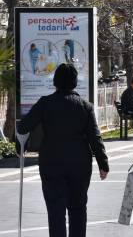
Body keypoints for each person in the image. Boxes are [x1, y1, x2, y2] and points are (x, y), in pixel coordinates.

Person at [18, 64, 109, 237]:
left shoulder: (45, 103)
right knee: (78, 207)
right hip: (80, 163)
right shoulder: (85, 106)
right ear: (75, 82)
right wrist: (103, 163)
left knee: (55, 209)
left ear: (55, 81)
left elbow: (24, 127)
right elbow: (95, 137)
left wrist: (21, 144)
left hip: (51, 162)